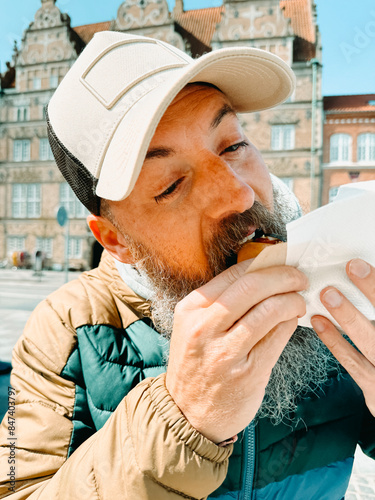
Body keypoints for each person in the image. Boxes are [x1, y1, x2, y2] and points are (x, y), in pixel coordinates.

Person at [0, 31, 374, 500]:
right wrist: (178, 421)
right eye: (172, 184)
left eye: (233, 145)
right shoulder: (67, 329)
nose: (240, 194)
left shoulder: (345, 279)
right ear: (117, 241)